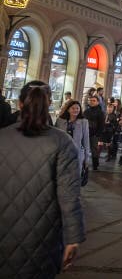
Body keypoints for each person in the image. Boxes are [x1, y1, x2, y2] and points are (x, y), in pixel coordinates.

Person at [0, 81, 85, 277]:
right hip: (41, 238)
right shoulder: (63, 143)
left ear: (20, 104)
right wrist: (73, 238)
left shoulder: (2, 137)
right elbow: (69, 196)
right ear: (50, 106)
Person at [55, 99, 91, 180]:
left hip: (77, 153)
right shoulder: (60, 121)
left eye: (77, 108)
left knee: (75, 177)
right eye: (73, 108)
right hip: (63, 153)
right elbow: (56, 138)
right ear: (68, 109)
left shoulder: (84, 122)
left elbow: (86, 140)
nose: (75, 110)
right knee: (62, 176)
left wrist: (86, 158)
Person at [83, 95, 104, 170]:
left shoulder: (100, 112)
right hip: (85, 133)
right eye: (90, 100)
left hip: (94, 134)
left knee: (94, 149)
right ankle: (84, 163)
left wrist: (98, 134)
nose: (91, 102)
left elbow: (101, 124)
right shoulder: (86, 111)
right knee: (84, 148)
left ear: (98, 102)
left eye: (93, 100)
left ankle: (95, 165)